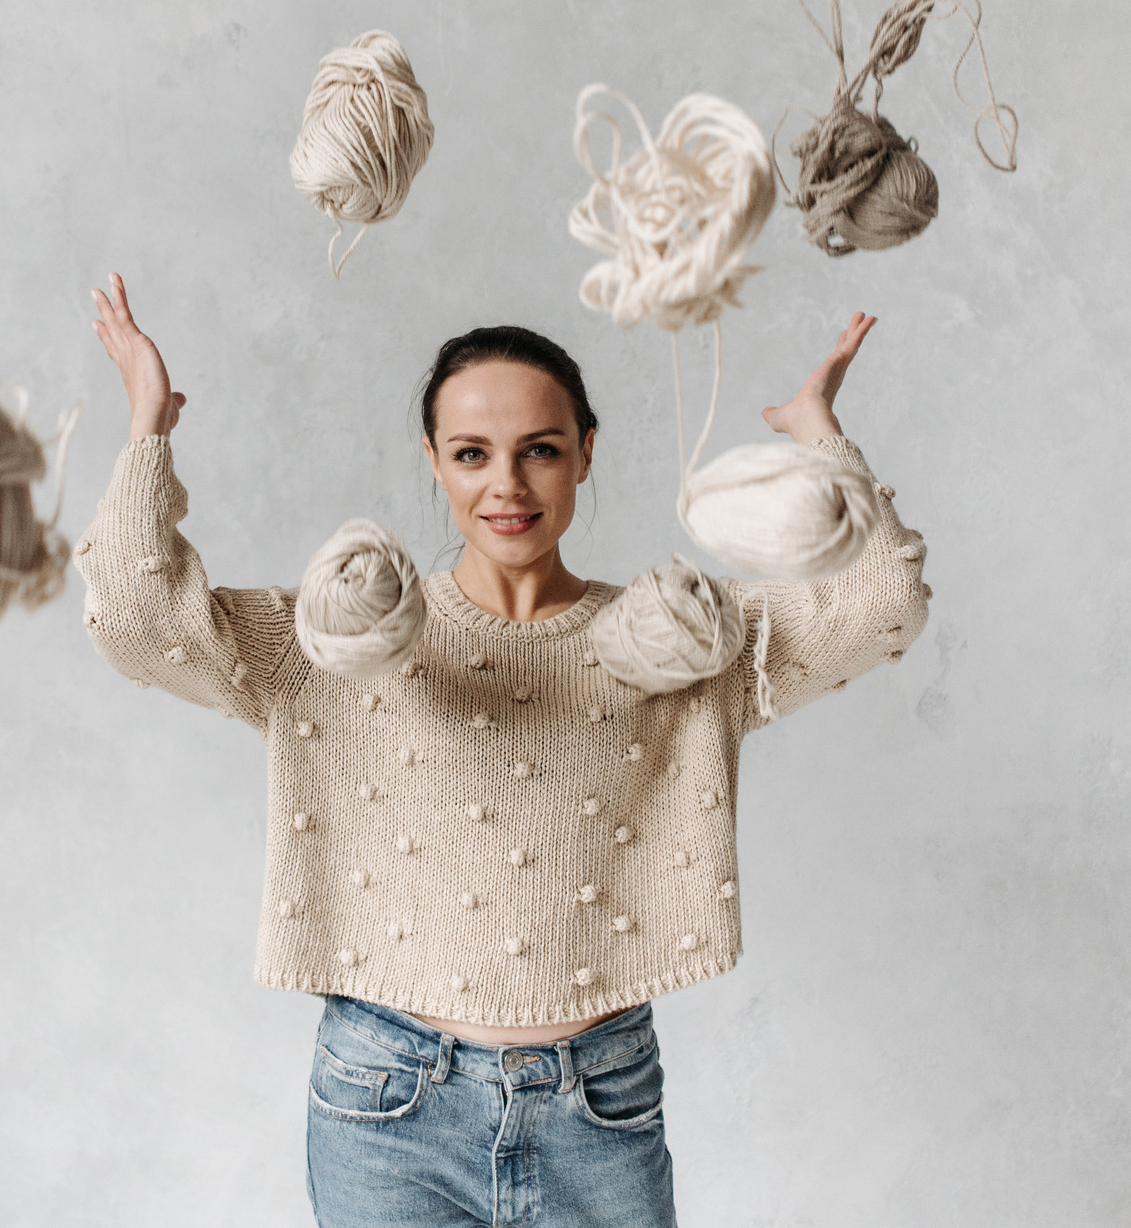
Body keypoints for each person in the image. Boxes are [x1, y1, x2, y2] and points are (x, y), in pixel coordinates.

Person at [80, 272, 929, 1227]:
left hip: (597, 1104)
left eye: (540, 450)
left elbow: (879, 605)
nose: (507, 485)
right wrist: (147, 421)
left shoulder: (682, 639)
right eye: (473, 452)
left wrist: (822, 433)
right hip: (386, 1108)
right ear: (435, 461)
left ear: (585, 454)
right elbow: (136, 616)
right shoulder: (342, 634)